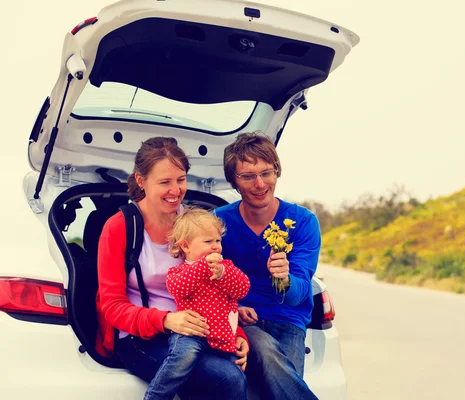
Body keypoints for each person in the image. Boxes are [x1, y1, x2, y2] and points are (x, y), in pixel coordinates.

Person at [96, 137, 248, 400]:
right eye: (164, 182)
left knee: (235, 372)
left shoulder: (196, 225)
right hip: (140, 336)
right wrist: (166, 320)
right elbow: (111, 307)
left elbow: (221, 288)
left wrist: (236, 332)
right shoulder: (120, 227)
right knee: (227, 379)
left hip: (201, 330)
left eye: (181, 179)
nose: (175, 190)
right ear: (141, 181)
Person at [215, 132, 320, 400]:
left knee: (273, 365)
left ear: (277, 172)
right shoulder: (218, 223)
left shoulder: (303, 222)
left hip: (287, 319)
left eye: (267, 173)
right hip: (240, 321)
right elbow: (208, 280)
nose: (260, 183)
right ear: (234, 181)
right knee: (261, 347)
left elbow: (298, 293)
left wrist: (284, 278)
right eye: (248, 176)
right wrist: (234, 307)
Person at [144, 207, 250, 400]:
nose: (215, 246)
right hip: (191, 335)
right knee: (178, 363)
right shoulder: (179, 272)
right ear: (186, 246)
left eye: (218, 241)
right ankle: (156, 396)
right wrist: (203, 266)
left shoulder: (227, 268)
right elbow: (179, 289)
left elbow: (242, 288)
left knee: (237, 377)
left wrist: (223, 274)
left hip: (224, 338)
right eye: (208, 241)